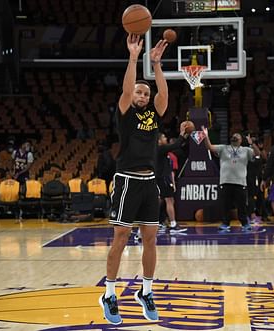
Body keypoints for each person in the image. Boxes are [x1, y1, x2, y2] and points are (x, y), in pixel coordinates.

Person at [100, 34, 168, 325]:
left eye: (145, 93)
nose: (142, 96)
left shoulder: (155, 113)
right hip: (127, 180)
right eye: (139, 92)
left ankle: (146, 291)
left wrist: (156, 64)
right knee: (121, 237)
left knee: (151, 239)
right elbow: (126, 90)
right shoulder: (126, 114)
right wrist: (132, 57)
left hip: (149, 181)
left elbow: (164, 95)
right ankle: (110, 294)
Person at [202, 129, 260, 232]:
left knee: (242, 205)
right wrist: (206, 136)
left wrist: (252, 144)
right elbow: (209, 147)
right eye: (234, 135)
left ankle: (245, 223)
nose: (235, 136)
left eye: (237, 135)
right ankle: (225, 223)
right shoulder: (224, 148)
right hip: (226, 181)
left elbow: (257, 154)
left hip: (240, 182)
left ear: (241, 140)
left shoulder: (246, 150)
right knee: (226, 205)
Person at [156, 125, 189, 233]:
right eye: (164, 137)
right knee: (169, 200)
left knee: (158, 201)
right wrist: (182, 134)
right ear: (159, 141)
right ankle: (173, 224)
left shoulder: (157, 150)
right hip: (163, 178)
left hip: (159, 178)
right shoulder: (161, 149)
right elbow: (176, 144)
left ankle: (155, 223)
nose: (166, 139)